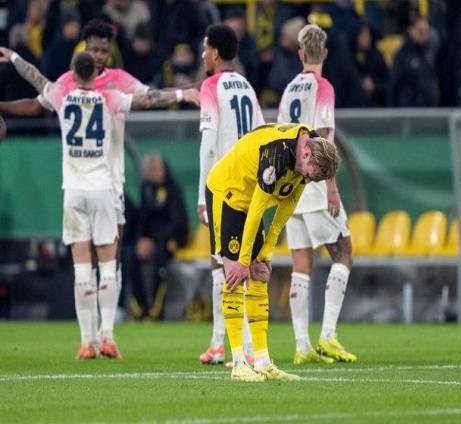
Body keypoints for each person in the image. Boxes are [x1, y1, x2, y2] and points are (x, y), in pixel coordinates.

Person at [0, 48, 195, 359]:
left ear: (73, 72)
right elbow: (149, 99)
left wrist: (13, 57)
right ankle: (107, 337)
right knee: (107, 267)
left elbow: (35, 77)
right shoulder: (110, 97)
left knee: (81, 269)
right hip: (103, 190)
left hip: (74, 191)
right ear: (95, 73)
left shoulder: (61, 95)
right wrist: (184, 93)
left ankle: (86, 342)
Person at [205, 122, 339, 381]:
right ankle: (238, 363)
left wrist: (267, 248)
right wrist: (243, 260)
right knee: (235, 275)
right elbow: (257, 208)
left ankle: (263, 361)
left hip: (249, 201)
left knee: (260, 275)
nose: (309, 180)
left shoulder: (311, 147)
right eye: (312, 175)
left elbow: (289, 202)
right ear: (306, 155)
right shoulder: (277, 154)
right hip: (227, 193)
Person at [277, 24, 357, 365]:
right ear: (324, 53)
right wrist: (331, 185)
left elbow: (282, 135)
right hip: (315, 185)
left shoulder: (288, 90)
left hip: (292, 187)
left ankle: (301, 345)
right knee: (344, 254)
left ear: (300, 54)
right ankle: (327, 336)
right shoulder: (323, 87)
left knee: (301, 265)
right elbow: (323, 134)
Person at [197, 23, 264, 366]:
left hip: (223, 185)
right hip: (250, 182)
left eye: (205, 49)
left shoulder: (211, 86)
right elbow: (261, 133)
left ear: (215, 53)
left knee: (227, 264)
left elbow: (208, 145)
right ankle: (220, 342)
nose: (202, 55)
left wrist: (201, 194)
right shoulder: (247, 86)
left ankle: (243, 348)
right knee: (235, 261)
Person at [130, 153, 189, 320]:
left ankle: (156, 310)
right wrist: (142, 240)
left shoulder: (173, 188)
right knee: (131, 258)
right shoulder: (146, 189)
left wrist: (155, 241)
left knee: (159, 260)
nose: (153, 172)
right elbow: (142, 218)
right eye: (150, 170)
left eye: (156, 168)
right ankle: (140, 308)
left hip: (172, 239)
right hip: (151, 240)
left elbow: (178, 221)